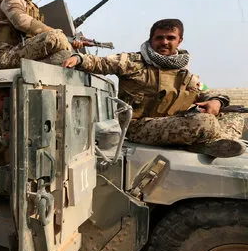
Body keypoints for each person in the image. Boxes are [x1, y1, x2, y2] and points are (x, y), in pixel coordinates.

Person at [62, 19, 246, 158]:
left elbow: (206, 91)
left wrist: (216, 101)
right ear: (151, 39)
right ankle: (207, 140)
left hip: (174, 123)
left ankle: (206, 144)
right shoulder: (134, 62)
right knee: (205, 122)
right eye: (160, 38)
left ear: (179, 41)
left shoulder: (186, 74)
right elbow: (101, 63)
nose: (165, 42)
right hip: (138, 127)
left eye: (170, 38)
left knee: (236, 115)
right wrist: (79, 58)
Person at [0, 0, 83, 69]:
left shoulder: (33, 7)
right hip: (5, 56)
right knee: (55, 37)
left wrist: (71, 43)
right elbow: (21, 22)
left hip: (22, 51)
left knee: (67, 57)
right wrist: (58, 35)